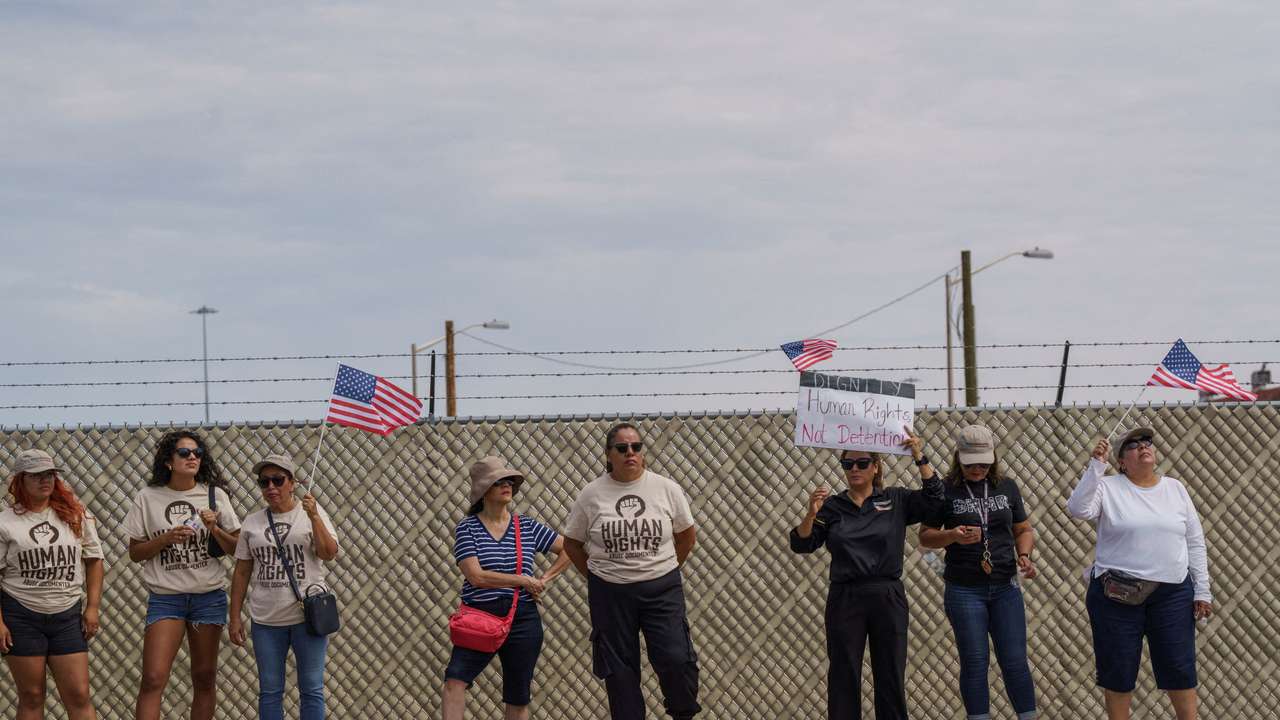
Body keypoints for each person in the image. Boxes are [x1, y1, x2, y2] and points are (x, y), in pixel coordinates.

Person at [789, 431, 943, 720]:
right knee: (844, 673)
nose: (855, 469)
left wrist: (919, 456)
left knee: (890, 673)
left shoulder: (896, 499)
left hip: (887, 595)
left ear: (876, 466)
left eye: (862, 463)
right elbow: (802, 544)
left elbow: (936, 499)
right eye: (849, 465)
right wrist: (810, 514)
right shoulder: (832, 506)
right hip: (846, 597)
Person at [1067, 428, 1211, 720]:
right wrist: (1095, 467)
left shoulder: (1175, 488)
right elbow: (1078, 509)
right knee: (1118, 671)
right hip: (1116, 594)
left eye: (1147, 443)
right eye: (1133, 446)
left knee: (1179, 668)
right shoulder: (1108, 487)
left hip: (1172, 593)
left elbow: (1194, 541)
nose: (1143, 447)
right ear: (1121, 461)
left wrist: (1202, 589)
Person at [562, 422, 701, 720]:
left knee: (676, 659)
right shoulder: (592, 494)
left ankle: (683, 712)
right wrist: (596, 577)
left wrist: (665, 568)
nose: (630, 453)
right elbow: (572, 544)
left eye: (636, 447)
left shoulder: (666, 488)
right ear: (608, 454)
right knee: (620, 673)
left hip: (661, 589)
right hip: (610, 594)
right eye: (622, 448)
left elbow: (687, 536)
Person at [919, 424, 1038, 720]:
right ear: (959, 458)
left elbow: (1023, 528)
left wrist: (1024, 555)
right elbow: (924, 536)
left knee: (1014, 661)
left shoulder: (1006, 486)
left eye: (984, 462)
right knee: (974, 661)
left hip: (1006, 586)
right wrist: (952, 536)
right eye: (972, 463)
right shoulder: (945, 489)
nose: (978, 469)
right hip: (964, 589)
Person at [441, 456, 573, 720]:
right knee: (455, 680)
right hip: (480, 615)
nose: (507, 485)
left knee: (518, 694)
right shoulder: (468, 528)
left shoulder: (525, 525)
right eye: (498, 481)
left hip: (522, 617)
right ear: (483, 491)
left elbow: (569, 549)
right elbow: (475, 576)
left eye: (509, 481)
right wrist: (523, 580)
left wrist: (544, 579)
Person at [125, 430, 241, 720]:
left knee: (204, 677)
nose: (192, 458)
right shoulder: (148, 497)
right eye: (184, 453)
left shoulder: (215, 495)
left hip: (207, 595)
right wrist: (165, 538)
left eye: (198, 453)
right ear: (168, 461)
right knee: (153, 677)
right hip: (167, 597)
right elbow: (136, 552)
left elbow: (238, 548)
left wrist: (215, 528)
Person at [229, 454, 339, 720]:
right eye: (264, 482)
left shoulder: (311, 512)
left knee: (311, 688)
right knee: (269, 690)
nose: (271, 488)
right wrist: (234, 617)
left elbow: (328, 552)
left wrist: (314, 517)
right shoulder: (252, 523)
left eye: (278, 480)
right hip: (266, 619)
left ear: (292, 483)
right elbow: (242, 571)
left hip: (307, 617)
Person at [0, 449, 104, 720]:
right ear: (20, 480)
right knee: (32, 696)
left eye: (50, 475)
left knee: (79, 694)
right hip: (22, 616)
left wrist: (92, 607)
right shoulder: (5, 521)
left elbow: (94, 560)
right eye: (36, 476)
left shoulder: (75, 514)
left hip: (67, 614)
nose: (45, 481)